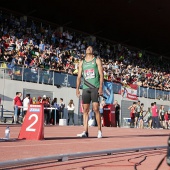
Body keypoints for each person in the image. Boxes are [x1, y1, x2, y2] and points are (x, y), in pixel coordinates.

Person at [76, 46, 104, 138]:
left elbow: (101, 74)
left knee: (96, 109)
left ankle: (99, 130)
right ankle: (85, 131)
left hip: (94, 88)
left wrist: (100, 87)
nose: (88, 48)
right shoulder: (82, 62)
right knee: (85, 110)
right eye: (87, 48)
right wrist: (77, 89)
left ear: (92, 51)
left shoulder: (96, 60)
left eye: (90, 48)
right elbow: (79, 76)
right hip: (85, 88)